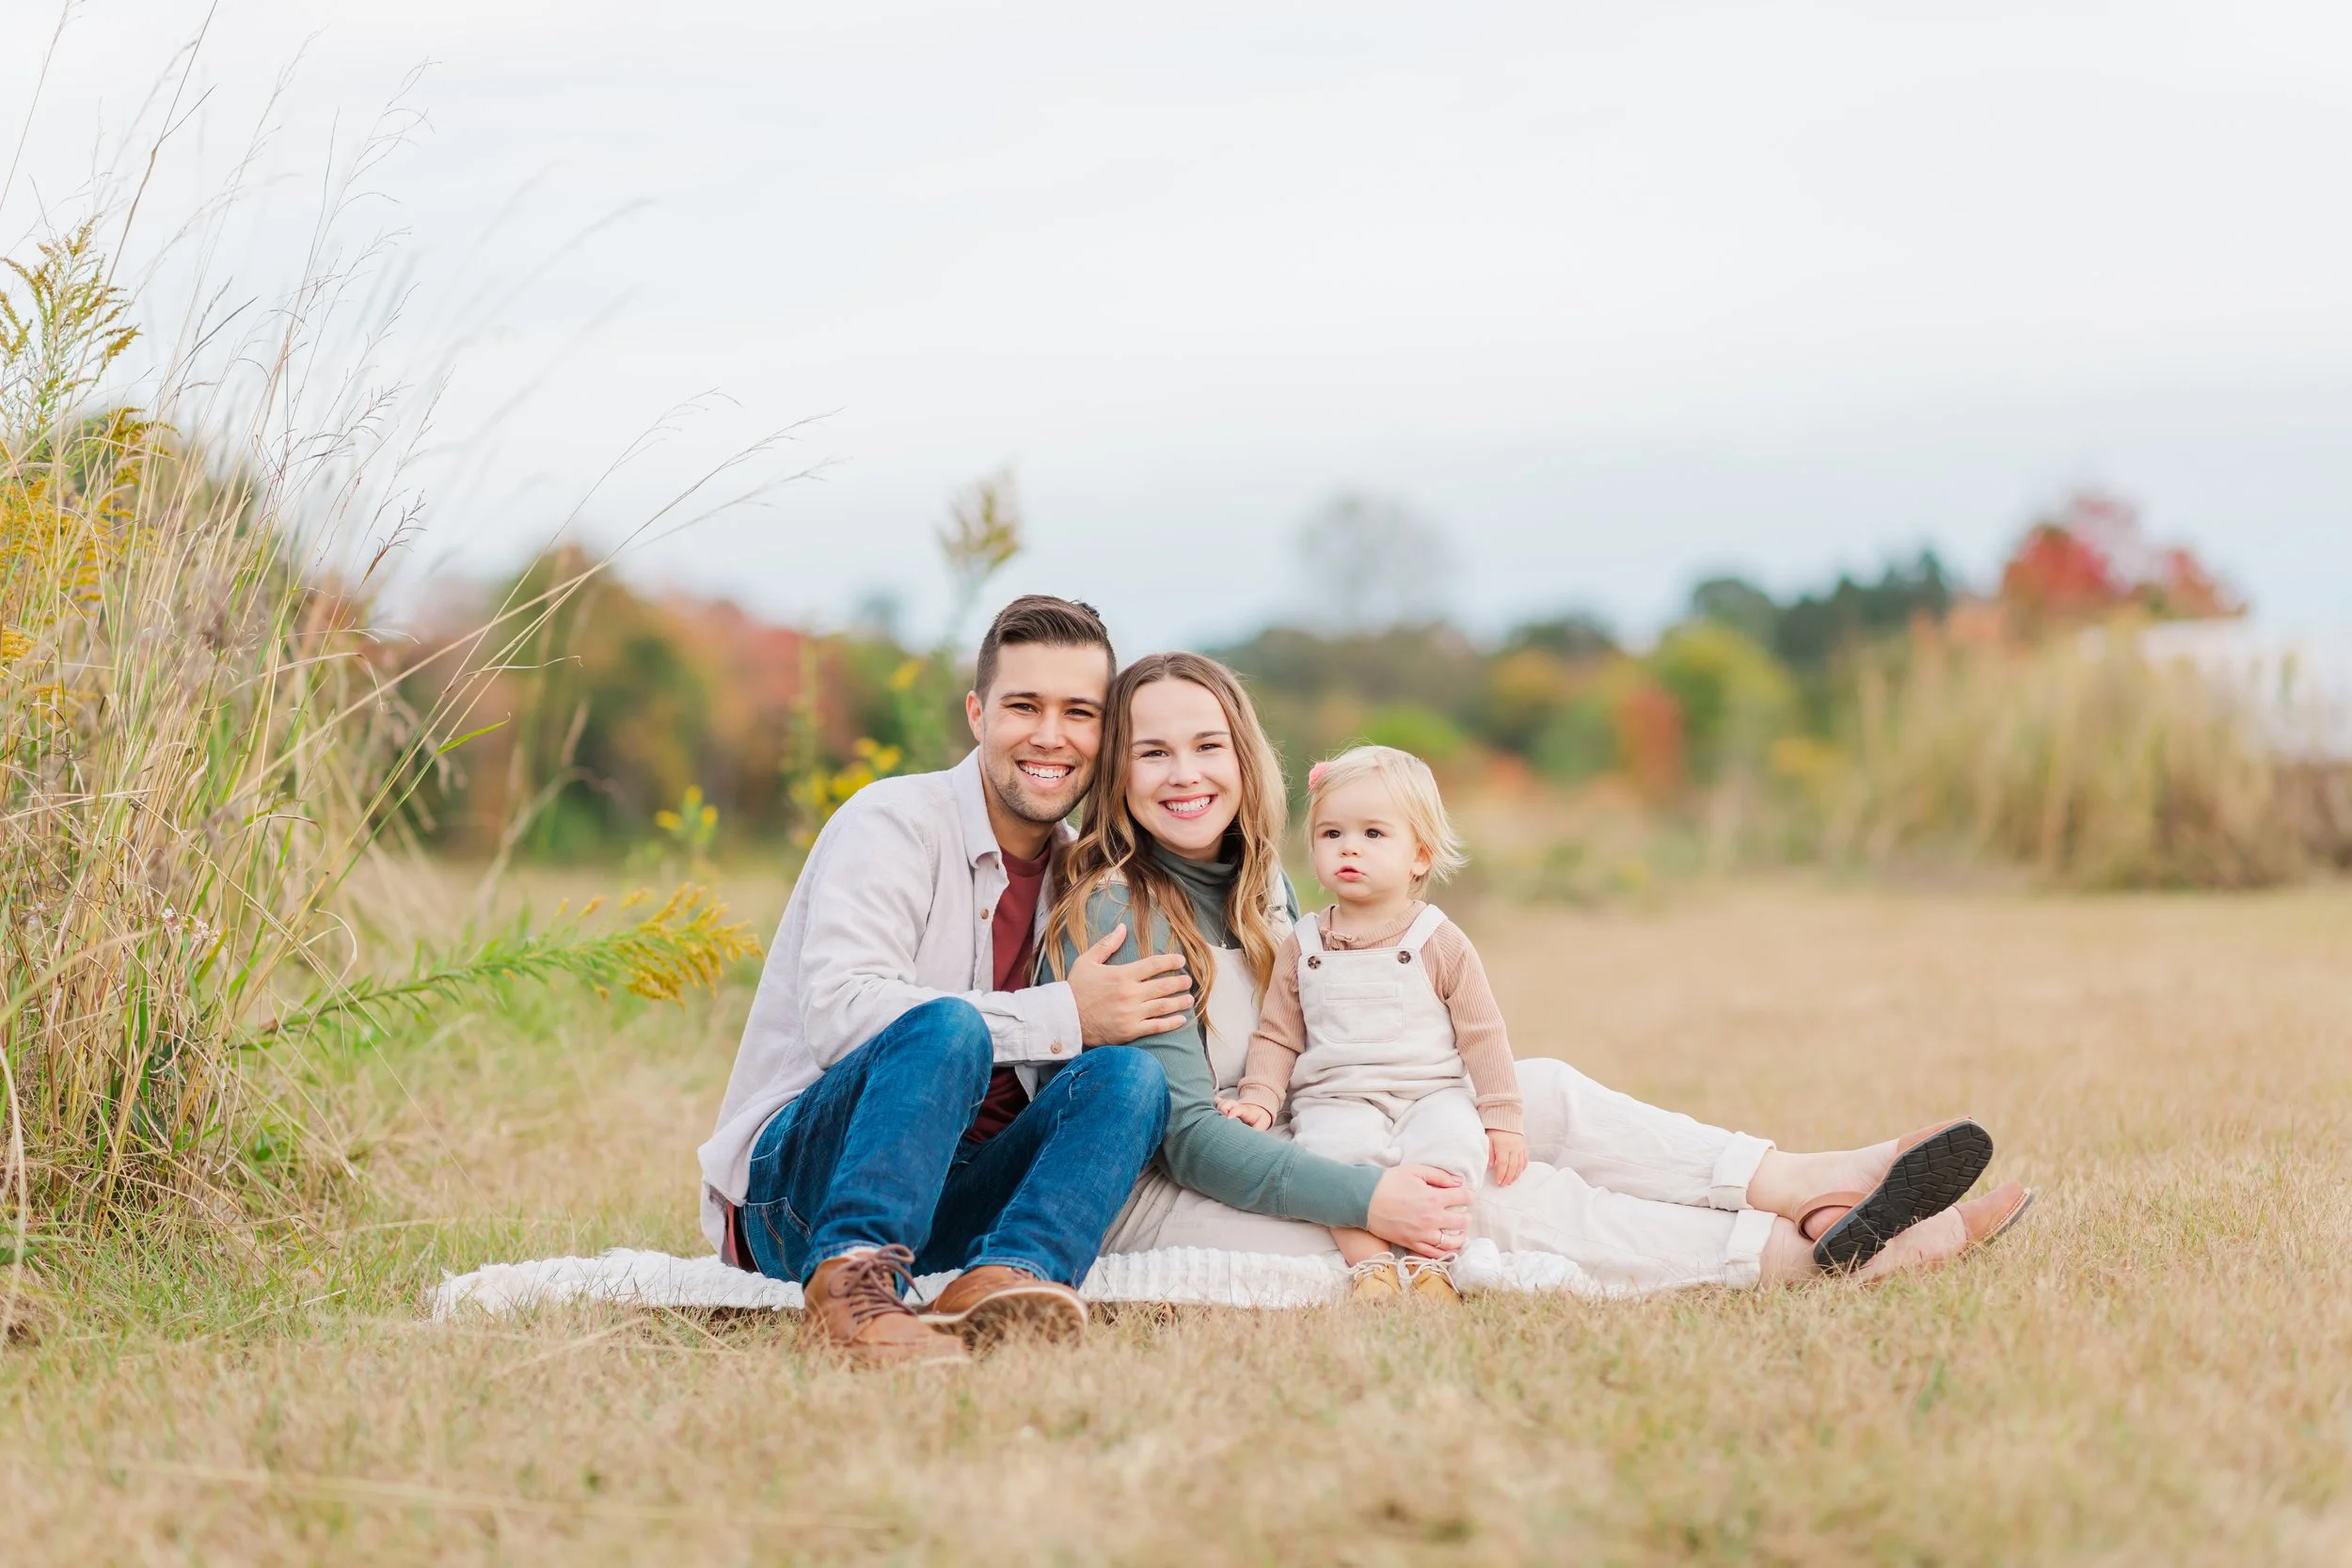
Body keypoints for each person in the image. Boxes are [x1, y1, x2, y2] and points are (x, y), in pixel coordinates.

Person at [1048, 651, 2035, 1293]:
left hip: (1307, 1126)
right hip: (1200, 1185)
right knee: (1478, 1191)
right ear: (1118, 777)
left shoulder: (1262, 888)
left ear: (1245, 755)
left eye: (1207, 744)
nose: (1186, 773)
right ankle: (1803, 1254)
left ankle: (1801, 1180)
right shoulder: (1122, 907)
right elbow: (1185, 1140)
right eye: (1153, 753)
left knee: (1537, 1093)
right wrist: (1366, 1200)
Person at [697, 596, 1195, 1367]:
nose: (1051, 736)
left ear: (1107, 734)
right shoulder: (893, 820)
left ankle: (1004, 1279)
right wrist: (1062, 1013)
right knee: (944, 1025)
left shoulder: (1085, 880)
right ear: (976, 712)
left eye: (1080, 713)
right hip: (801, 1190)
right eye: (1023, 705)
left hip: (953, 1193)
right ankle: (852, 1288)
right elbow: (840, 1012)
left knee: (1129, 1077)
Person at [1223, 745, 1525, 1303]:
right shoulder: (1304, 943)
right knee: (1330, 1159)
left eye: (1373, 834)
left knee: (1453, 1147)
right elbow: (1278, 1034)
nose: (1350, 848)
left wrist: (1502, 1117)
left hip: (1428, 1092)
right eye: (1332, 834)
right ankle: (1372, 1267)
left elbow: (1483, 1033)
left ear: (1420, 856)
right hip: (1337, 1096)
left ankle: (1432, 1262)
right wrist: (1261, 1098)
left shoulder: (1438, 939)